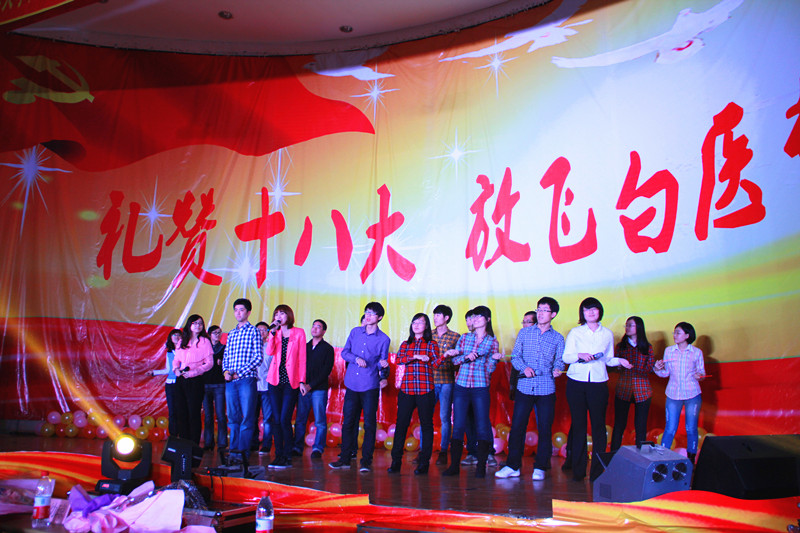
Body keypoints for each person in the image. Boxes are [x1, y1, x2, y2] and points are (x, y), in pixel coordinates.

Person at [562, 297, 632, 482]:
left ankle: (597, 472)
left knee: (598, 427)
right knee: (579, 426)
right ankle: (578, 471)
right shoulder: (576, 332)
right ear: (582, 313)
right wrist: (579, 355)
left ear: (599, 311)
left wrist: (620, 360)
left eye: (594, 309)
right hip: (576, 381)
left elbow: (607, 359)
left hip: (598, 382)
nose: (591, 313)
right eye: (587, 310)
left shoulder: (607, 334)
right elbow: (566, 357)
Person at [496, 297, 565, 481]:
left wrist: (558, 369)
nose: (540, 313)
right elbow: (516, 356)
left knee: (545, 428)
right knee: (518, 426)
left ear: (553, 314)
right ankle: (513, 466)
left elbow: (559, 360)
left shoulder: (558, 338)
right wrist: (524, 368)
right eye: (538, 309)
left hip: (546, 388)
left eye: (544, 310)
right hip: (525, 387)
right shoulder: (525, 333)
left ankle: (540, 467)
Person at [329, 302, 390, 472]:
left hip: (369, 384)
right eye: (366, 312)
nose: (368, 315)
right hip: (352, 384)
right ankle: (345, 458)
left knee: (369, 424)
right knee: (348, 421)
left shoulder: (384, 339)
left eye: (372, 313)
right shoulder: (355, 332)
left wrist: (383, 367)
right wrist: (356, 359)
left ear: (379, 317)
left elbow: (381, 363)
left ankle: (366, 462)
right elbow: (344, 352)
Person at [443, 305, 502, 478]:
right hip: (461, 386)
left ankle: (481, 466)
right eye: (473, 317)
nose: (474, 320)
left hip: (480, 387)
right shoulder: (465, 337)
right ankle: (454, 466)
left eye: (478, 317)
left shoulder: (492, 341)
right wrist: (466, 357)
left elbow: (489, 369)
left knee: (482, 425)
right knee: (458, 425)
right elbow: (455, 361)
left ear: (487, 320)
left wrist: (494, 360)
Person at [388, 313, 446, 475]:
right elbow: (398, 359)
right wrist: (416, 356)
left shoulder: (431, 344)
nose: (416, 325)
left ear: (426, 326)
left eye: (420, 322)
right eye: (414, 322)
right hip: (407, 389)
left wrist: (445, 356)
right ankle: (395, 461)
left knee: (426, 425)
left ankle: (424, 463)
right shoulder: (406, 344)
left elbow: (435, 364)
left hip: (425, 389)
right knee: (401, 425)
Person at [654, 322, 706, 463]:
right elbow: (665, 373)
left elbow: (702, 373)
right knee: (670, 428)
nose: (674, 335)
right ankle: (661, 460)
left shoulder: (696, 352)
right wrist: (657, 368)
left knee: (691, 428)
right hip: (673, 393)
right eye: (674, 332)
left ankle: (691, 460)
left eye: (678, 332)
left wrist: (700, 376)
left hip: (692, 393)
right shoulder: (669, 351)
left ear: (687, 335)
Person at [265, 304, 307, 469]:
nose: (279, 316)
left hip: (291, 381)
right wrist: (272, 333)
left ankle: (287, 456)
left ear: (288, 315)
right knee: (276, 419)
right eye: (276, 314)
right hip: (274, 380)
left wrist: (302, 380)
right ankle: (278, 455)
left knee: (284, 419)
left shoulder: (299, 333)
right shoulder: (274, 332)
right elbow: (269, 352)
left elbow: (302, 358)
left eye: (282, 313)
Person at [223, 298, 263, 465]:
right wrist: (226, 371)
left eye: (241, 310)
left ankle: (242, 454)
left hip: (246, 379)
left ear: (248, 312)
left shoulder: (254, 331)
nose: (238, 313)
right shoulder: (231, 333)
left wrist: (239, 373)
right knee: (233, 418)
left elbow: (258, 357)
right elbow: (226, 356)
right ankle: (233, 452)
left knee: (247, 417)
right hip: (230, 381)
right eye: (236, 310)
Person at [610, 316, 655, 451]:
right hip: (623, 389)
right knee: (619, 424)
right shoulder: (621, 346)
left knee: (640, 425)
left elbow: (649, 368)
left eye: (631, 325)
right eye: (626, 325)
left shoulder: (647, 347)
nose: (627, 328)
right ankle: (613, 455)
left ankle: (641, 457)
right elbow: (613, 366)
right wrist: (619, 365)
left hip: (642, 390)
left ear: (639, 328)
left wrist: (636, 368)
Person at [293, 319, 335, 458]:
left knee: (320, 421)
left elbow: (326, 371)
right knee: (300, 419)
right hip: (303, 388)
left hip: (319, 389)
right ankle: (297, 447)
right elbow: (298, 367)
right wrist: (301, 383)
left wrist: (310, 385)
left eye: (318, 327)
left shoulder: (327, 349)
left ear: (324, 331)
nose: (315, 329)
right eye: (313, 326)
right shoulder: (304, 347)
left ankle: (318, 448)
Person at [172, 314, 214, 445]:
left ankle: (193, 445)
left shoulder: (205, 342)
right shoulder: (182, 341)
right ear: (189, 325)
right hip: (181, 379)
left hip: (195, 380)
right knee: (181, 412)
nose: (198, 326)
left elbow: (209, 363)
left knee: (193, 413)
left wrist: (194, 372)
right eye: (195, 323)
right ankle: (183, 444)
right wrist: (176, 369)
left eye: (200, 323)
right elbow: (176, 360)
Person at [430, 305, 460, 466]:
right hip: (430, 381)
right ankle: (423, 451)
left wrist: (452, 359)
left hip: (447, 381)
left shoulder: (455, 337)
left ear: (446, 318)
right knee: (426, 416)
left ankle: (443, 451)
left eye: (438, 315)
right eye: (434, 315)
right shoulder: (429, 335)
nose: (435, 318)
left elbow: (458, 361)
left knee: (445, 417)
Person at [151, 328, 183, 437]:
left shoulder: (184, 351)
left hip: (182, 383)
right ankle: (173, 435)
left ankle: (182, 435)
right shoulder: (169, 352)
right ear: (170, 338)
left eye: (179, 335)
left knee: (181, 409)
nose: (177, 337)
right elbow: (168, 370)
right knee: (172, 411)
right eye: (174, 335)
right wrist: (154, 372)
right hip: (170, 384)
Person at [202, 325, 228, 450]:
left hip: (219, 384)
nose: (217, 335)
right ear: (209, 334)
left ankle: (222, 442)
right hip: (205, 384)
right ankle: (208, 442)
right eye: (215, 333)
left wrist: (223, 363)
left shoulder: (225, 348)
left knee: (221, 415)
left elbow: (229, 363)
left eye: (219, 332)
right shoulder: (204, 349)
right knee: (208, 415)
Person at [253, 321, 274, 457]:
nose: (261, 332)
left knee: (267, 418)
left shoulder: (271, 348)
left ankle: (266, 444)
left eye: (264, 330)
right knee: (252, 417)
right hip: (252, 387)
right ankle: (253, 443)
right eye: (258, 330)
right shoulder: (250, 347)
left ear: (268, 333)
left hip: (266, 387)